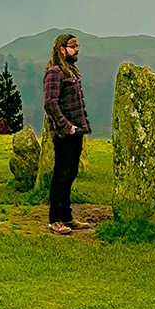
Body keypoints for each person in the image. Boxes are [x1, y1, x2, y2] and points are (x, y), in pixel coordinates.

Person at [43, 34, 91, 235]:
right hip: (64, 134)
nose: (76, 49)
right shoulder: (55, 73)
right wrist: (66, 127)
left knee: (70, 174)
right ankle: (55, 219)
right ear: (61, 49)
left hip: (76, 131)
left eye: (77, 45)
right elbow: (50, 104)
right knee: (61, 175)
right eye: (72, 46)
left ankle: (67, 216)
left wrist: (80, 127)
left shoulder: (70, 72)